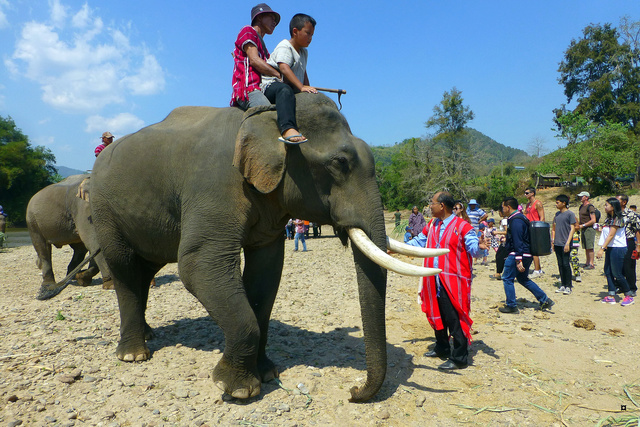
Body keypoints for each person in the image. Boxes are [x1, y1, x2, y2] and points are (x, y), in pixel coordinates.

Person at [407, 192, 485, 370]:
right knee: (438, 313)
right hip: (433, 279)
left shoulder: (462, 226)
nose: (429, 206)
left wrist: (480, 247)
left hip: (453, 282)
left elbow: (473, 246)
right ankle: (441, 347)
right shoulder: (433, 224)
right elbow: (421, 241)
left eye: (432, 203)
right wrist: (400, 249)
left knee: (454, 318)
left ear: (442, 206)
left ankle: (459, 357)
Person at [260, 13, 317, 144]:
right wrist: (301, 87)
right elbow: (284, 68)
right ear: (295, 31)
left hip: (289, 88)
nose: (310, 38)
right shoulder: (285, 46)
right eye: (308, 33)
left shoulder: (303, 52)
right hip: (272, 85)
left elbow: (303, 71)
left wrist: (307, 87)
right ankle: (288, 128)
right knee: (284, 90)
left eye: (312, 35)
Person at [498, 197, 554, 313]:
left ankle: (511, 305)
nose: (502, 209)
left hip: (518, 254)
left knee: (507, 278)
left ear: (508, 207)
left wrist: (518, 259)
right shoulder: (521, 218)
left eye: (503, 207)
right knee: (523, 279)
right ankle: (544, 299)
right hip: (527, 253)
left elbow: (518, 240)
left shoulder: (516, 220)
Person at [230, 4, 283, 109]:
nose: (274, 23)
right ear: (259, 17)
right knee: (268, 114)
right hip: (249, 89)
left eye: (275, 21)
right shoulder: (248, 31)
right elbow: (254, 60)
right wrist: (278, 74)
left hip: (262, 89)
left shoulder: (264, 49)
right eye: (271, 18)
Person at [597, 198, 634, 306]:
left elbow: (611, 235)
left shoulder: (618, 218)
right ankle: (611, 295)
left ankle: (629, 295)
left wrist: (602, 249)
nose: (605, 207)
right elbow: (608, 232)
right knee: (608, 271)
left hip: (618, 248)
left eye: (606, 205)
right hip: (611, 247)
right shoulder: (609, 219)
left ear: (612, 207)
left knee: (617, 273)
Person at [551, 195, 576, 295]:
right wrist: (553, 241)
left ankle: (568, 285)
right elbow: (553, 228)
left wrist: (568, 243)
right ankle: (563, 284)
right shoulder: (557, 215)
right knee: (560, 264)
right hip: (557, 243)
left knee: (566, 264)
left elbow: (572, 229)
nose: (556, 204)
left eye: (558, 202)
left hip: (566, 243)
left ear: (564, 203)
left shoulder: (570, 214)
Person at [616, 194, 640, 297]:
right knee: (618, 265)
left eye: (617, 200)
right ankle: (621, 286)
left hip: (628, 241)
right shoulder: (614, 214)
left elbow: (637, 230)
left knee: (629, 265)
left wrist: (638, 245)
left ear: (624, 202)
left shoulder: (631, 214)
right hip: (617, 242)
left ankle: (632, 287)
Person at [523, 187, 545, 277]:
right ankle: (538, 269)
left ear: (532, 193)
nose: (525, 195)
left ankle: (536, 270)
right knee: (531, 249)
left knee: (534, 250)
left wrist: (539, 230)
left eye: (527, 193)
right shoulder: (528, 205)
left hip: (535, 228)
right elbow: (525, 214)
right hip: (528, 228)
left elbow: (542, 217)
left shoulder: (538, 203)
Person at [575, 191, 597, 270]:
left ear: (586, 197)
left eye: (582, 196)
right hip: (583, 228)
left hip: (589, 228)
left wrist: (583, 225)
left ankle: (591, 263)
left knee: (590, 246)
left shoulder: (590, 207)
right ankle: (587, 262)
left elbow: (593, 220)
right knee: (585, 246)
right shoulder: (581, 207)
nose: (580, 198)